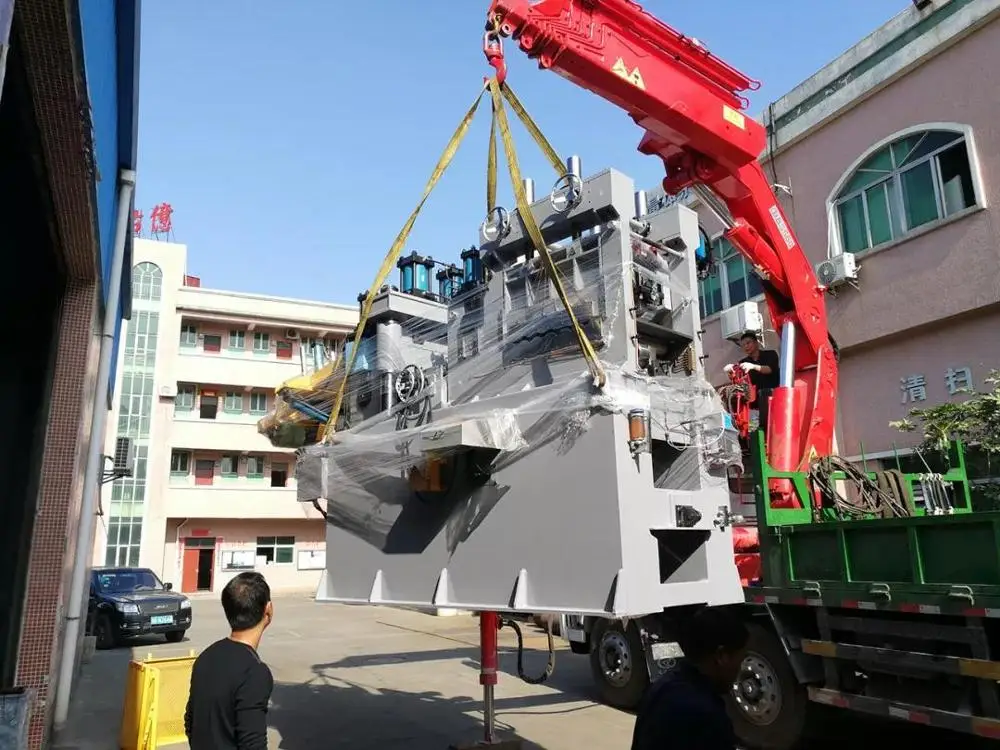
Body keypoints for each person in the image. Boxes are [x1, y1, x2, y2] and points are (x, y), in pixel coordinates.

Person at [630, 607, 749, 750]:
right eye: (740, 660)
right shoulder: (707, 716)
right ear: (721, 656)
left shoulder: (658, 689)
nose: (739, 669)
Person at [184, 572, 274, 750]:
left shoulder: (206, 657)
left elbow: (190, 721)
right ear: (268, 610)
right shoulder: (254, 672)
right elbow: (252, 745)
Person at [724, 331, 780, 433]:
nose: (746, 347)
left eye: (748, 343)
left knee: (774, 429)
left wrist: (753, 366)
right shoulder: (743, 362)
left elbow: (770, 369)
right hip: (755, 406)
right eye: (743, 345)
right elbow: (738, 381)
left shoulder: (770, 354)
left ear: (756, 343)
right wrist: (730, 371)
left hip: (774, 400)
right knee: (755, 432)